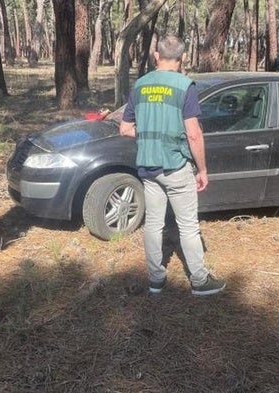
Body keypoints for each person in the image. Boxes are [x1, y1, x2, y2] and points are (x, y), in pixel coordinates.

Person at [119, 35, 226, 296]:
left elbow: (125, 129)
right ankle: (199, 281)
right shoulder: (184, 86)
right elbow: (193, 134)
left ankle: (156, 279)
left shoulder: (140, 85)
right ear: (183, 58)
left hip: (148, 166)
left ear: (157, 56)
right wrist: (202, 170)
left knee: (154, 224)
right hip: (176, 167)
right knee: (188, 225)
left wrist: (149, 134)